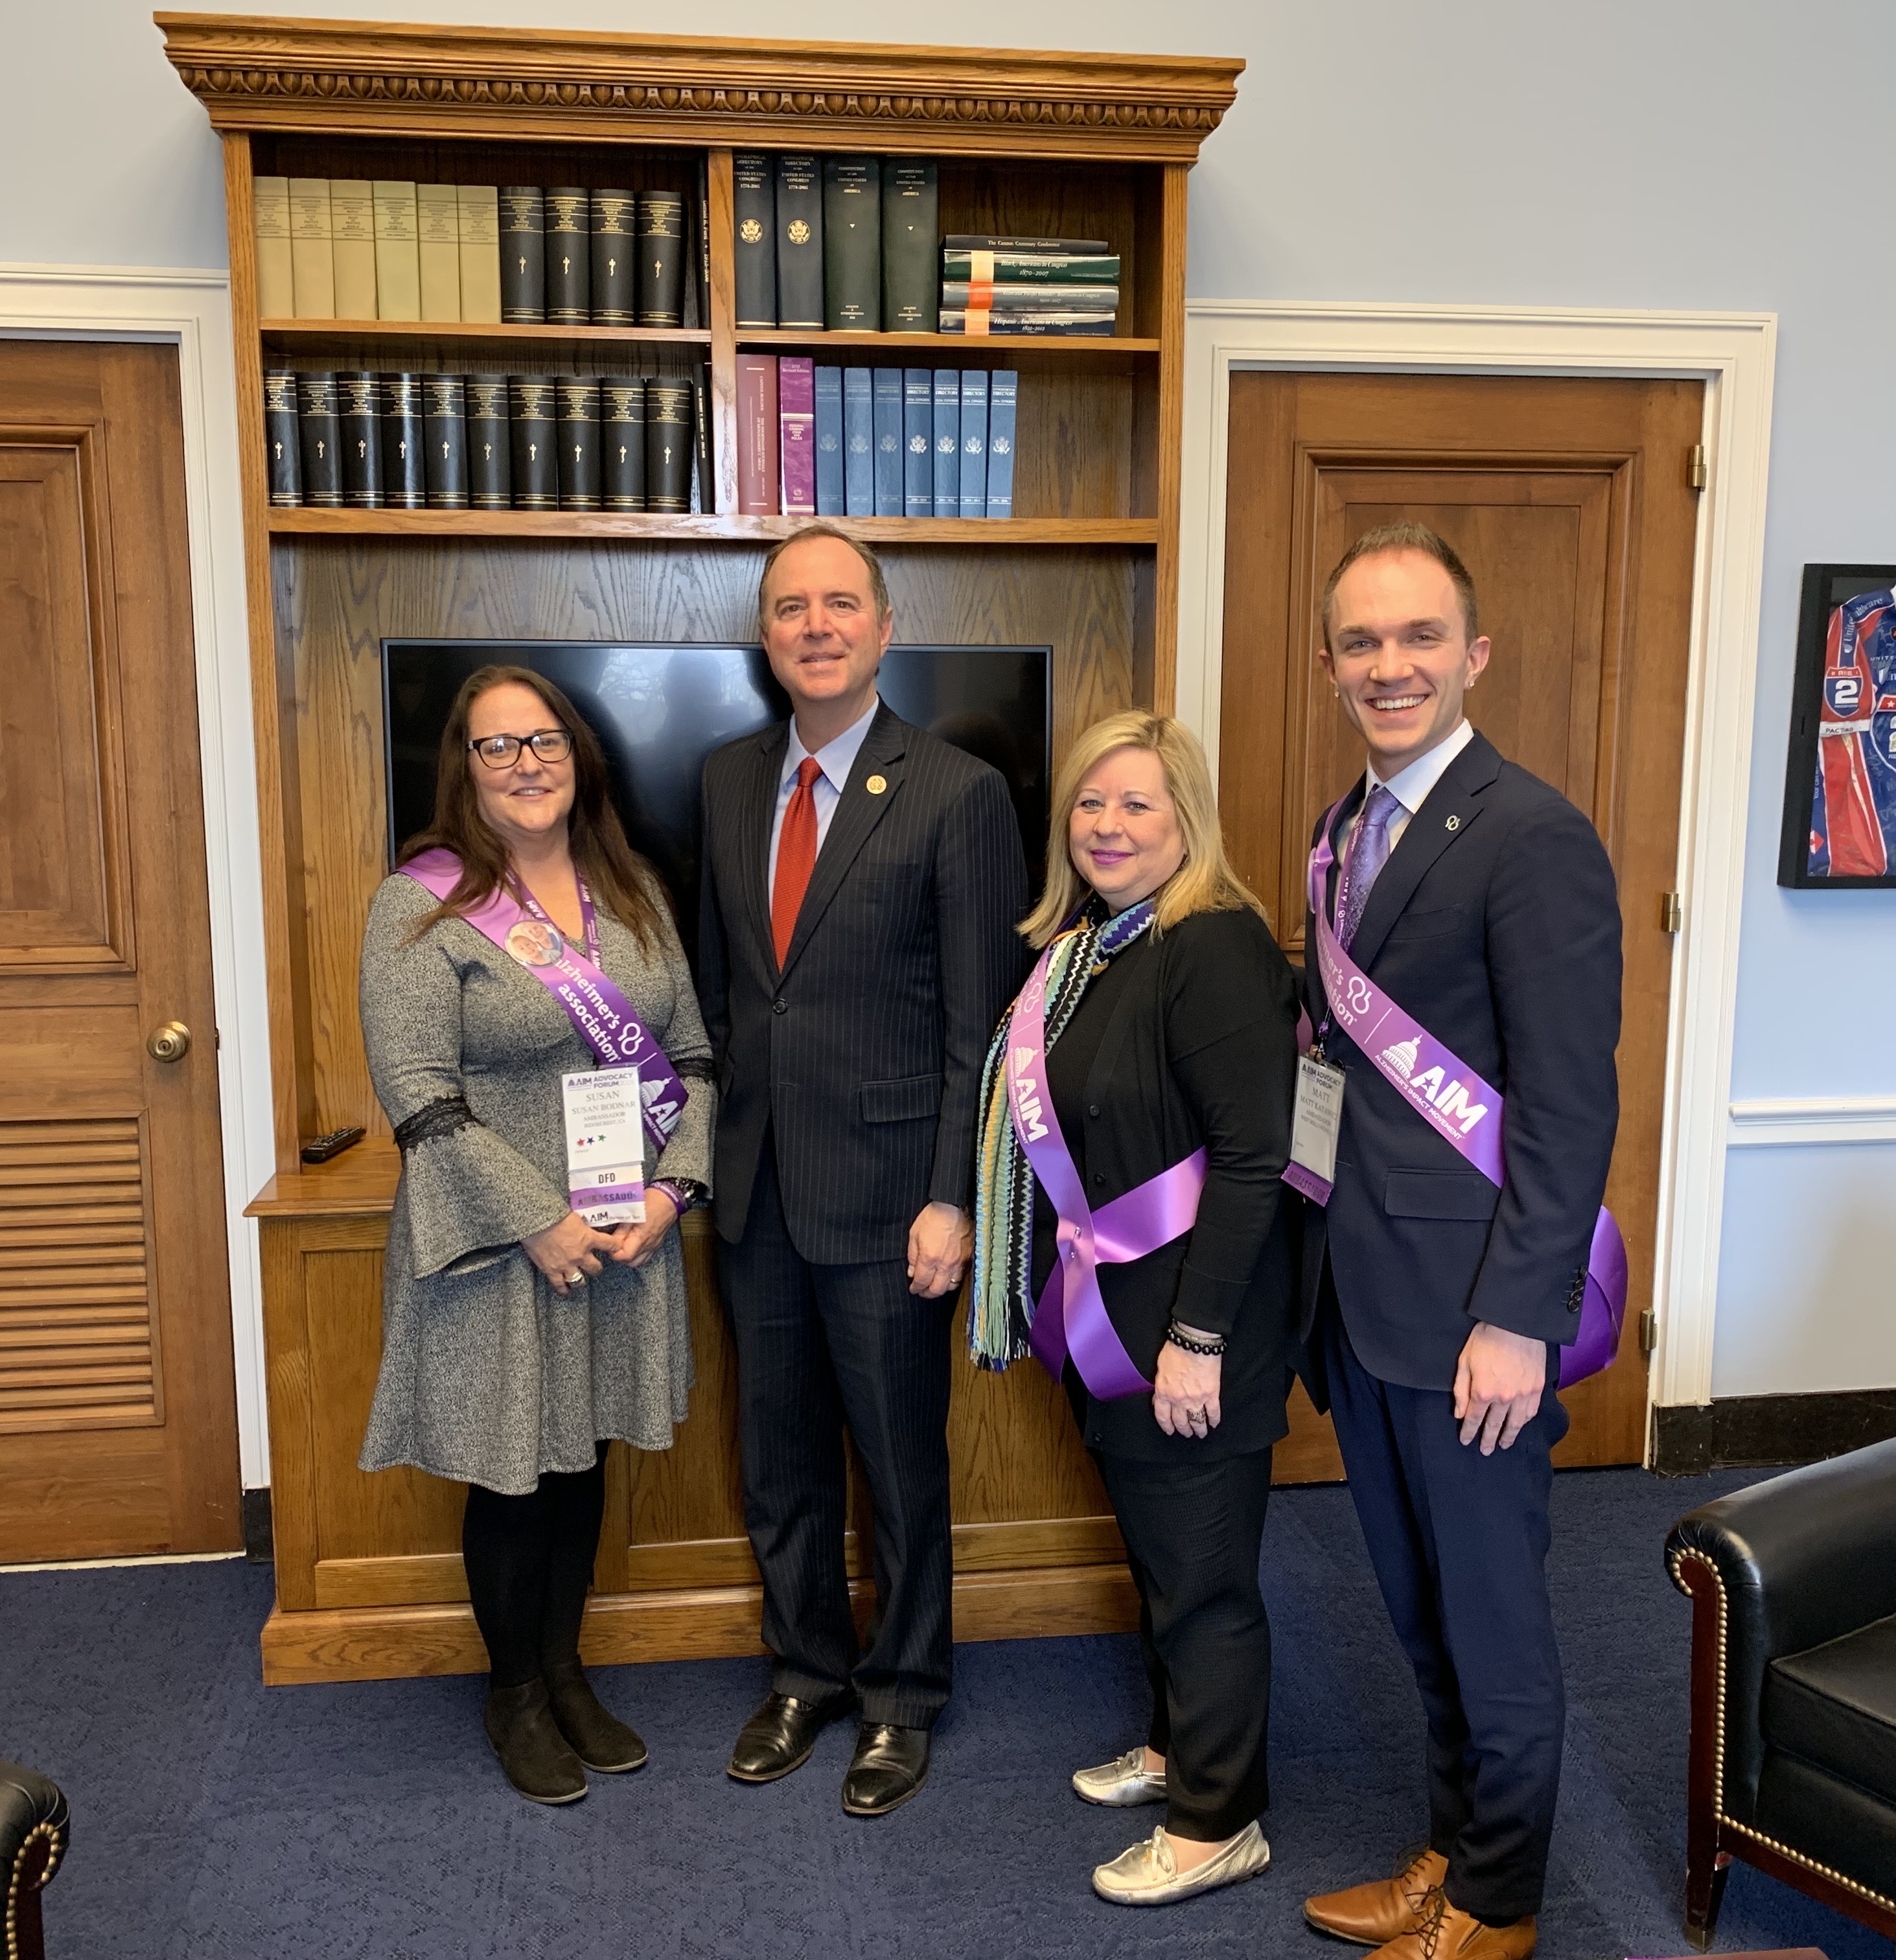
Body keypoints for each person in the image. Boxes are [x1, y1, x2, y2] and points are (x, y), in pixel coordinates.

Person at [1291, 523, 1622, 1959]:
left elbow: (1565, 1101)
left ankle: (1502, 1906)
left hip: (1473, 1312)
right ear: (1330, 666)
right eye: (1362, 642)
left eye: (1419, 638)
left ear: (1473, 654)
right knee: (1418, 1615)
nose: (1390, 665)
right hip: (1362, 1294)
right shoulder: (1345, 828)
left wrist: (1521, 1318)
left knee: (1492, 1627)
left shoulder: (1533, 834)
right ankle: (1449, 1850)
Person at [695, 522, 1026, 1816]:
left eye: (841, 604)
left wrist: (954, 1195)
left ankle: (902, 1695)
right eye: (791, 607)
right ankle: (805, 1672)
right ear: (766, 636)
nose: (816, 626)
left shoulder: (955, 791)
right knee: (776, 1456)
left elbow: (976, 1030)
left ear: (885, 629)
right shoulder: (725, 782)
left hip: (894, 1200)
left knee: (897, 1461)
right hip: (758, 1190)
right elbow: (732, 1002)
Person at [358, 664, 717, 1807]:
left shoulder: (638, 891)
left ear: (580, 754)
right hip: (501, 1244)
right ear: (463, 767)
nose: (525, 765)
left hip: (624, 1235)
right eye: (497, 746)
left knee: (583, 1456)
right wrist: (537, 1221)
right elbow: (417, 1095)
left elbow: (698, 1061)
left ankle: (566, 1672)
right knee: (515, 1474)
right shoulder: (419, 902)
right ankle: (512, 1691)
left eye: (544, 741)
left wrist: (675, 1194)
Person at [969, 712, 1298, 1905]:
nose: (1107, 826)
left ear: (1186, 823)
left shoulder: (1211, 945)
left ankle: (1222, 1821)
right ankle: (1177, 1751)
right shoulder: (1097, 946)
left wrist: (1197, 1342)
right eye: (1090, 804)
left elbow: (1255, 1158)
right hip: (1114, 1320)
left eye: (1138, 805)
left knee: (1205, 1578)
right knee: (1163, 1560)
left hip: (1193, 1333)